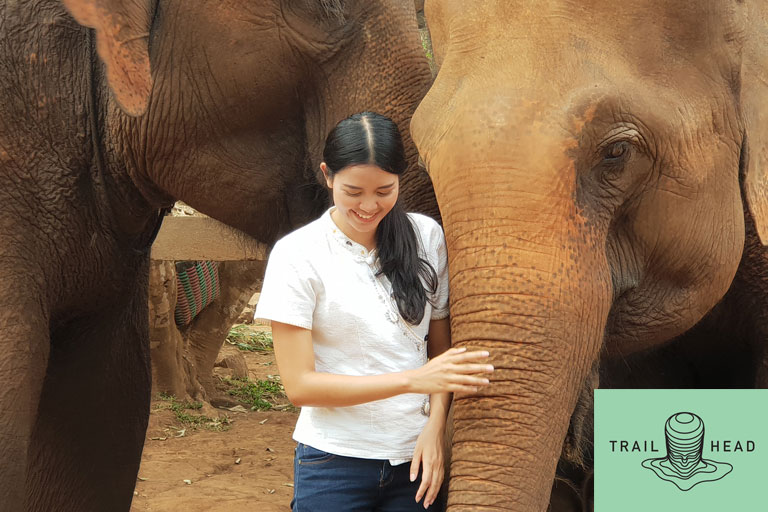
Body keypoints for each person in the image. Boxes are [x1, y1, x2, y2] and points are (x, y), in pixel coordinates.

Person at [254, 111, 493, 511]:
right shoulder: (297, 255)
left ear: (401, 179)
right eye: (353, 191)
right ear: (327, 175)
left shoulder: (425, 237)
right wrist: (413, 380)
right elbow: (300, 387)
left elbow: (441, 357)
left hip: (416, 463)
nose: (368, 205)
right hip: (333, 464)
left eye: (384, 190)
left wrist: (435, 430)